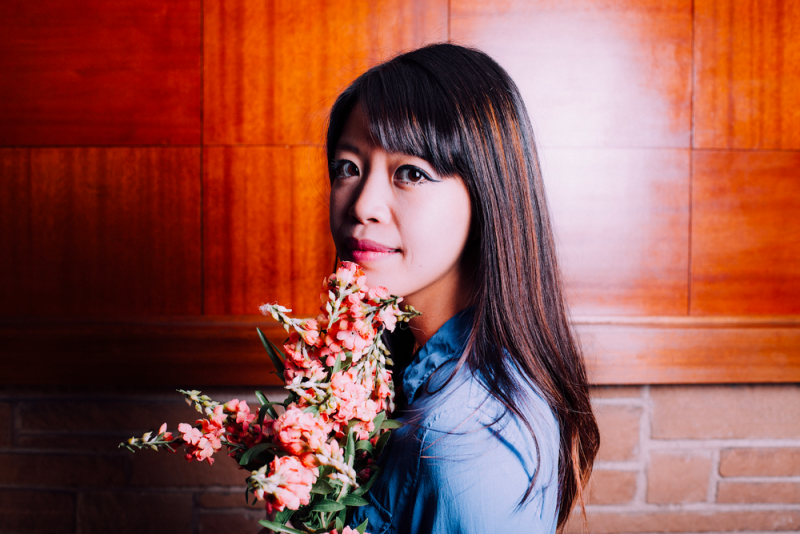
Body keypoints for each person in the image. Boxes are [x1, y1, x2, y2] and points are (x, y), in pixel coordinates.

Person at [326, 43, 599, 534]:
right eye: (348, 167)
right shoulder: (407, 365)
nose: (362, 204)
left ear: (488, 193)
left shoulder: (466, 441)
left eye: (410, 173)